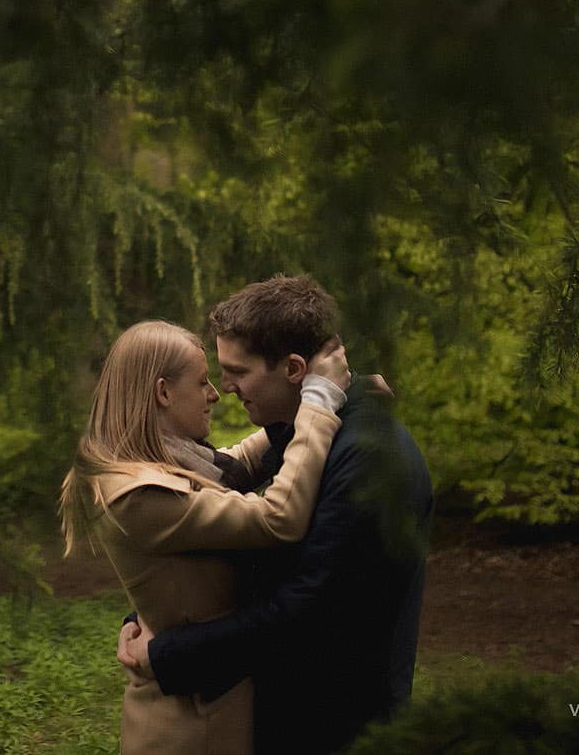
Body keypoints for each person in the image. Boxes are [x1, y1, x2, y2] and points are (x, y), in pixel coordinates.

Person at [117, 276, 434, 755]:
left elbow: (307, 609)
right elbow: (236, 549)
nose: (224, 389)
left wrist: (166, 654)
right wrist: (150, 609)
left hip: (335, 722)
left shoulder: (368, 459)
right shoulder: (305, 432)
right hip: (289, 713)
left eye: (236, 371)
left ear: (293, 368)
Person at [60, 318, 353, 755]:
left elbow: (233, 466)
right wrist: (318, 404)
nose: (215, 394)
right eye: (201, 383)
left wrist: (303, 402)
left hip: (202, 704)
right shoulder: (141, 495)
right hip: (195, 725)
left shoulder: (162, 466)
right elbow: (279, 516)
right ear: (162, 393)